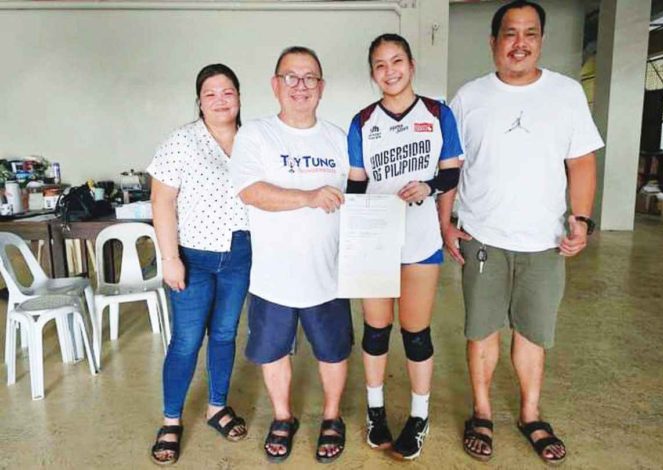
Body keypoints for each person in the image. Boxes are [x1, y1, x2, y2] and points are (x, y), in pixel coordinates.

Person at [443, 0, 603, 465]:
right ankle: (482, 412)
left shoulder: (567, 93)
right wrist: (446, 223)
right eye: (510, 33)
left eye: (530, 33)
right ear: (493, 42)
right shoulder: (469, 97)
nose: (520, 43)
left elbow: (582, 162)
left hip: (544, 241)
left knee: (533, 332)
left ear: (541, 41)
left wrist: (582, 218)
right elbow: (451, 167)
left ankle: (531, 415)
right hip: (483, 238)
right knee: (482, 329)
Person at [229, 46, 351, 464]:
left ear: (322, 86)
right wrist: (308, 196)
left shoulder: (338, 138)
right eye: (291, 77)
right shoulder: (256, 135)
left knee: (333, 351)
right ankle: (283, 417)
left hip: (329, 273)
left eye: (310, 78)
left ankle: (332, 417)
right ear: (275, 84)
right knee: (274, 351)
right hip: (273, 275)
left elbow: (358, 197)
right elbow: (250, 191)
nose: (301, 86)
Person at [346, 33, 463, 460]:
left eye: (397, 61)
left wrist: (428, 186)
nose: (389, 71)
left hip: (420, 239)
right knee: (376, 331)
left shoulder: (437, 114)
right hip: (376, 239)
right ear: (372, 72)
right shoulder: (362, 122)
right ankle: (375, 412)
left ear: (411, 65)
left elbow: (451, 174)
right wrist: (354, 230)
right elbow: (356, 184)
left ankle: (419, 415)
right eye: (379, 64)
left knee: (416, 333)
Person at [148, 64, 251, 465]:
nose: (220, 100)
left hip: (241, 255)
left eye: (228, 92)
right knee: (187, 341)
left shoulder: (253, 140)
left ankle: (216, 407)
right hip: (193, 258)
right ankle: (171, 420)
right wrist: (170, 259)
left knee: (225, 335)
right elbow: (162, 202)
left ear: (239, 97)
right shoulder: (182, 141)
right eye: (211, 94)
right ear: (199, 101)